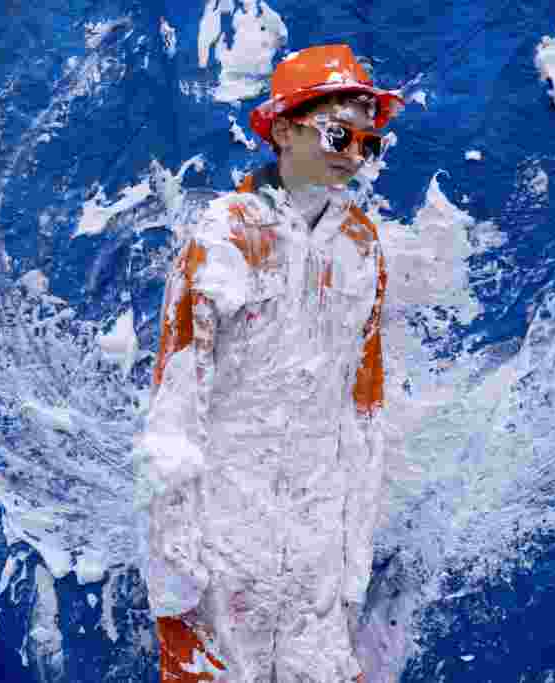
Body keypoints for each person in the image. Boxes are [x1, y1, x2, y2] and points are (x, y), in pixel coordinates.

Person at [139, 44, 405, 682]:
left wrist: (353, 550)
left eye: (367, 144)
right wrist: (174, 551)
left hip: (316, 525)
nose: (353, 154)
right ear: (284, 129)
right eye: (339, 132)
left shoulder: (362, 245)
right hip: (226, 517)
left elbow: (364, 403)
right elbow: (176, 392)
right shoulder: (226, 232)